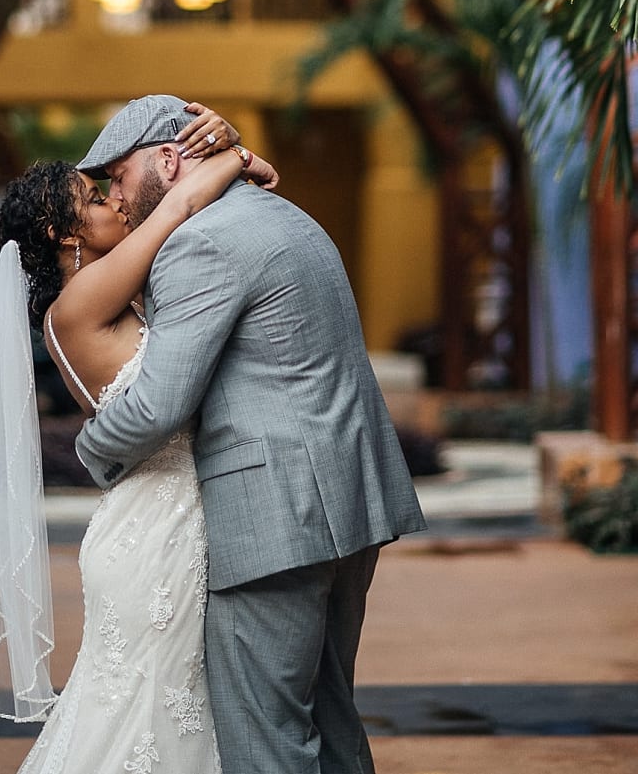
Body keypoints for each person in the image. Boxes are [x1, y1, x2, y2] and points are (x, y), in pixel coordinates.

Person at [73, 94, 426, 773]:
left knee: (265, 739)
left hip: (275, 521)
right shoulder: (277, 211)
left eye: (117, 177)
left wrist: (87, 447)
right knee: (328, 717)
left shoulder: (198, 241)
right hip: (346, 501)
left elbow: (156, 406)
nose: (114, 198)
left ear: (169, 159)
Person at [0, 100, 275, 772]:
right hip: (155, 534)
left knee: (158, 711)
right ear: (65, 234)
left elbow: (213, 225)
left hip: (166, 522)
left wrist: (250, 163)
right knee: (142, 716)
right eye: (94, 199)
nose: (115, 206)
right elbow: (178, 208)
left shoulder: (111, 291)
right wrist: (235, 154)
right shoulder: (81, 302)